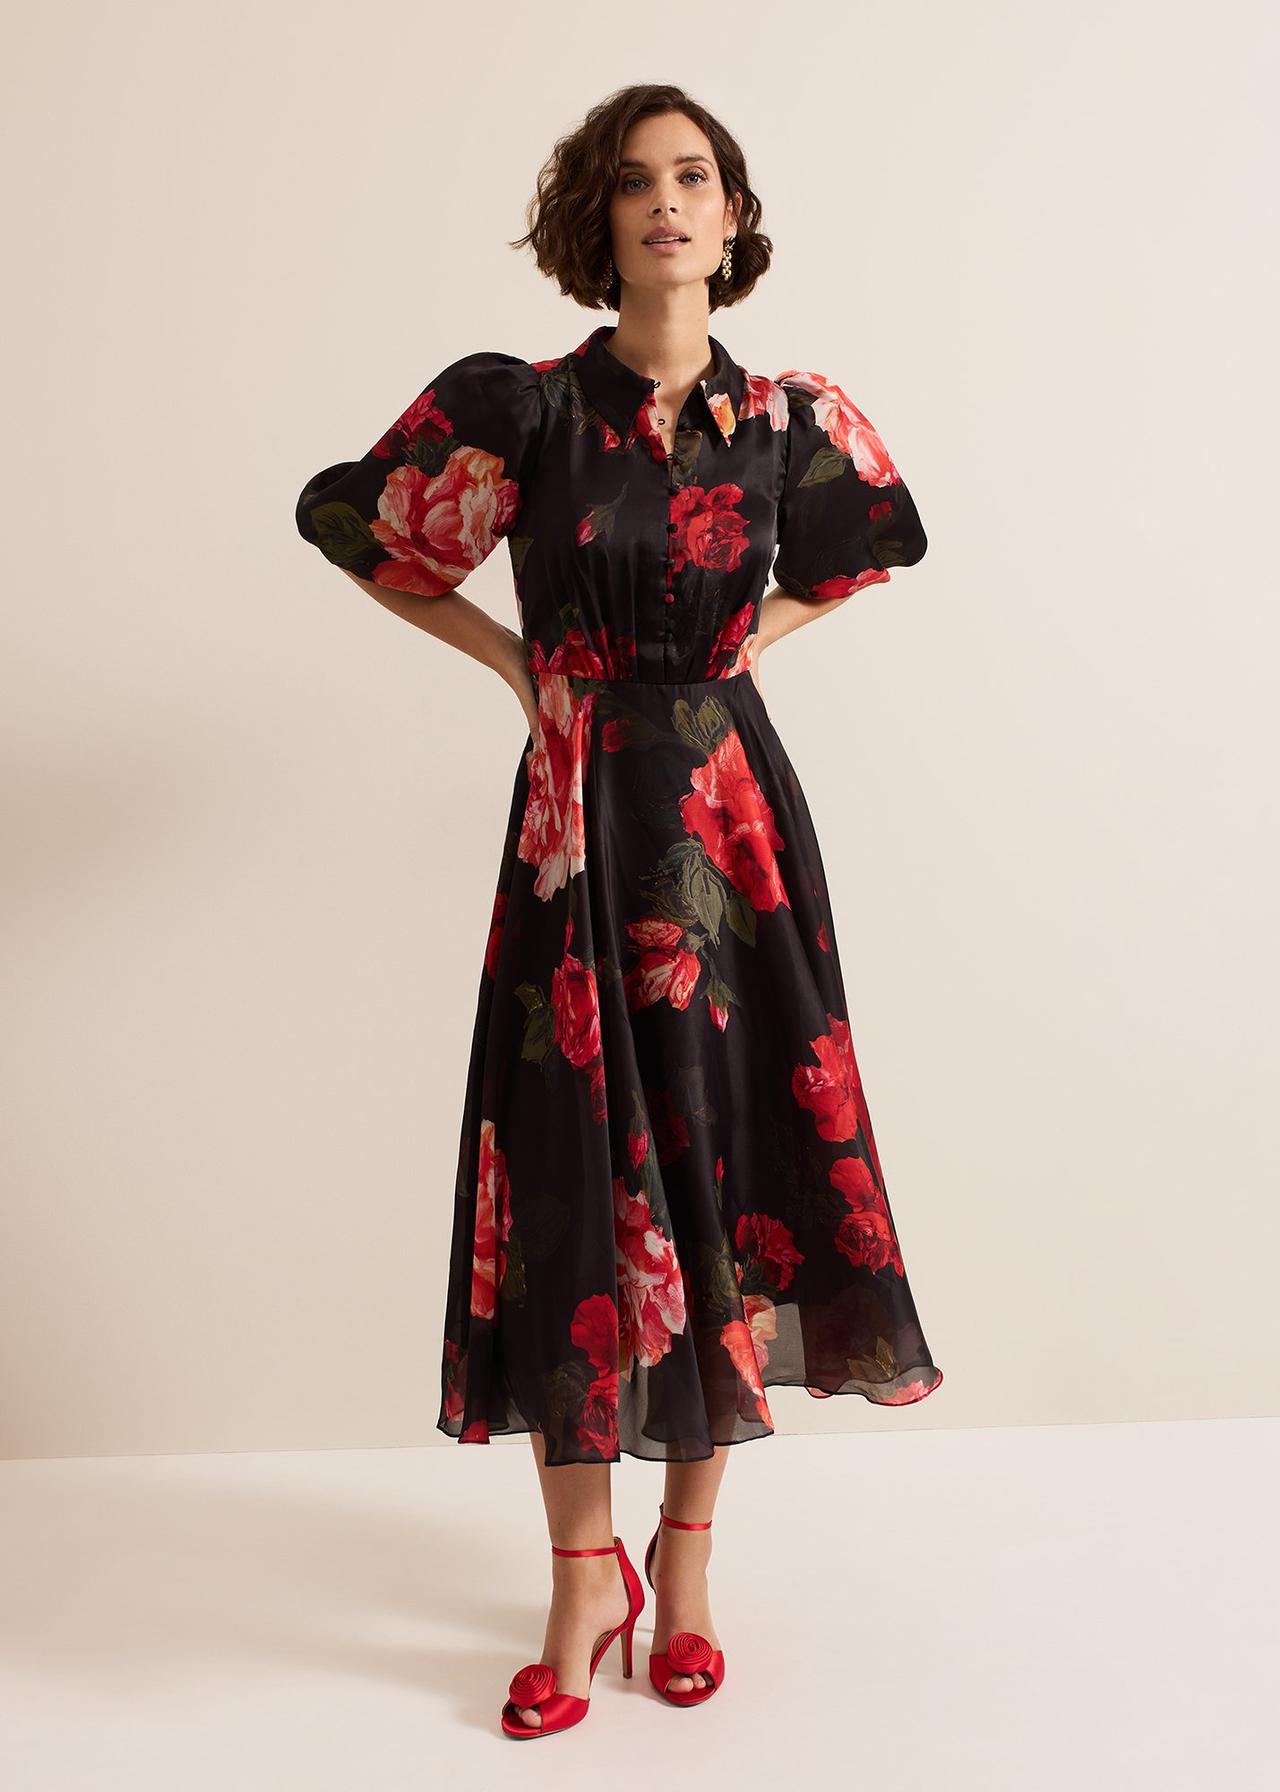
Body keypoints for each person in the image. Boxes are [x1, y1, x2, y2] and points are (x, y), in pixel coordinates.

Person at [295, 82, 944, 1739]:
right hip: (579, 821)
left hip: (727, 821)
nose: (670, 204)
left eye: (697, 179)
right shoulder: (525, 410)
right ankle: (583, 1574)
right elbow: (354, 521)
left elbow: (879, 541)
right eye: (638, 182)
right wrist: (522, 664)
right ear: (602, 220)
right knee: (578, 1161)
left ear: (734, 218)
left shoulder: (790, 419)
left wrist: (733, 661)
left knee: (719, 1161)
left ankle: (691, 1562)